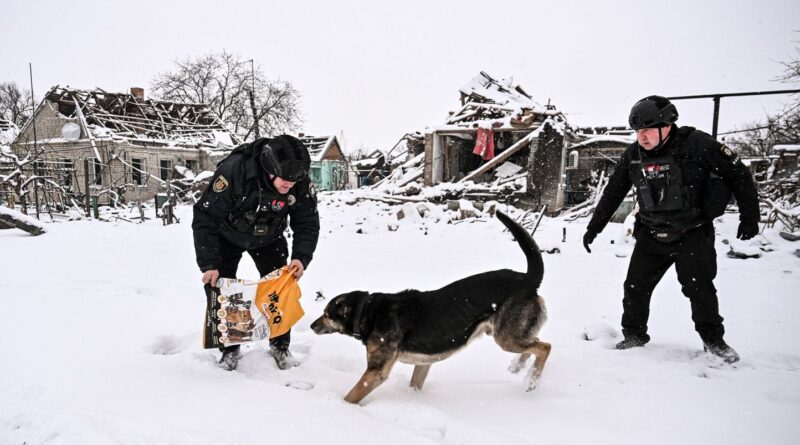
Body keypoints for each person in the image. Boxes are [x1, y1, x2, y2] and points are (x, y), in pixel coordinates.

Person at [582, 95, 759, 364]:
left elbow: (739, 174)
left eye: (648, 130)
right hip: (651, 233)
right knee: (635, 287)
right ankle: (634, 336)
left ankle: (713, 341)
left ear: (667, 125)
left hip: (693, 233)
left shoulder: (698, 145)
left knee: (699, 289)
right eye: (638, 131)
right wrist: (594, 227)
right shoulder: (634, 155)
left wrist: (750, 217)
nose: (642, 136)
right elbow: (614, 191)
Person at [192, 135, 320, 371]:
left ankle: (280, 345)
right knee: (226, 289)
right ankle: (230, 350)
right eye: (285, 180)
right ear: (270, 168)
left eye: (294, 181)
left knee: (282, 286)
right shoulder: (235, 170)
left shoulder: (298, 178)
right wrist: (209, 263)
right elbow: (205, 216)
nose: (290, 185)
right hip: (227, 234)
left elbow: (307, 221)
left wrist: (301, 257)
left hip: (269, 237)